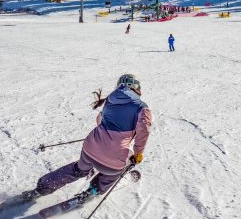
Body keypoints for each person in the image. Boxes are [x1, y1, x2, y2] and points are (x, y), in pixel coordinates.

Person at [23, 74, 152, 201]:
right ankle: (94, 190)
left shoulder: (110, 100)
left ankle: (43, 187)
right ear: (137, 88)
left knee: (78, 169)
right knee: (122, 166)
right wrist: (138, 153)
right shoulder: (141, 107)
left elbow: (99, 119)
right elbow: (143, 132)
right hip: (114, 156)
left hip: (90, 147)